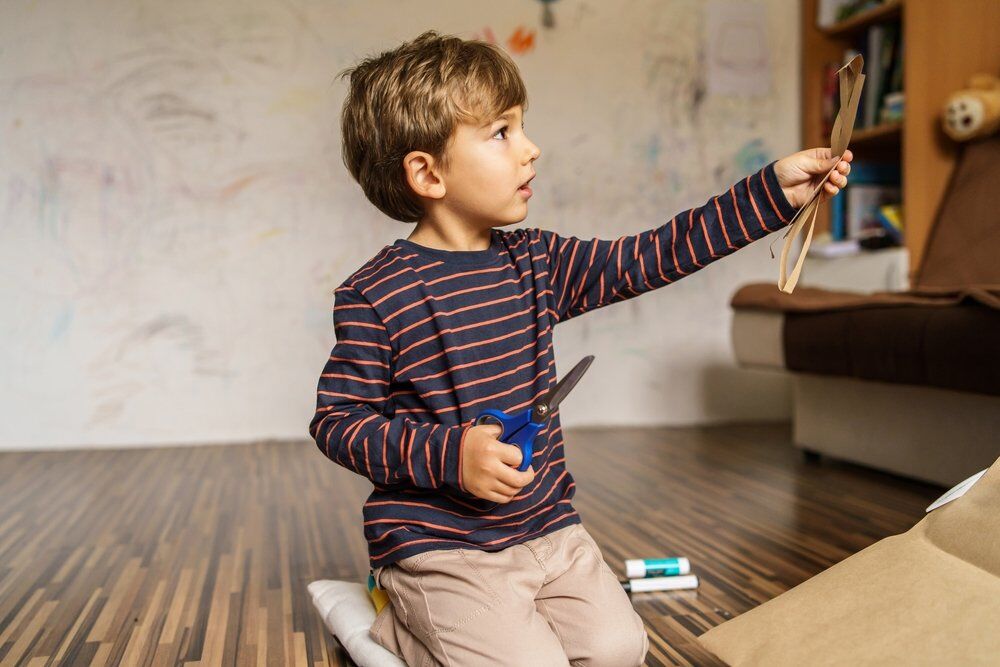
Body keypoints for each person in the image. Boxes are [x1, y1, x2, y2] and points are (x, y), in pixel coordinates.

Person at [309, 30, 852, 666]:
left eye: (521, 126)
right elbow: (337, 422)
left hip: (546, 525)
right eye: (501, 133)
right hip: (441, 544)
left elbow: (652, 255)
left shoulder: (537, 261)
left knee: (620, 650)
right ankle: (397, 618)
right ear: (428, 173)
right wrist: (451, 455)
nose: (531, 149)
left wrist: (771, 194)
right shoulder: (375, 295)